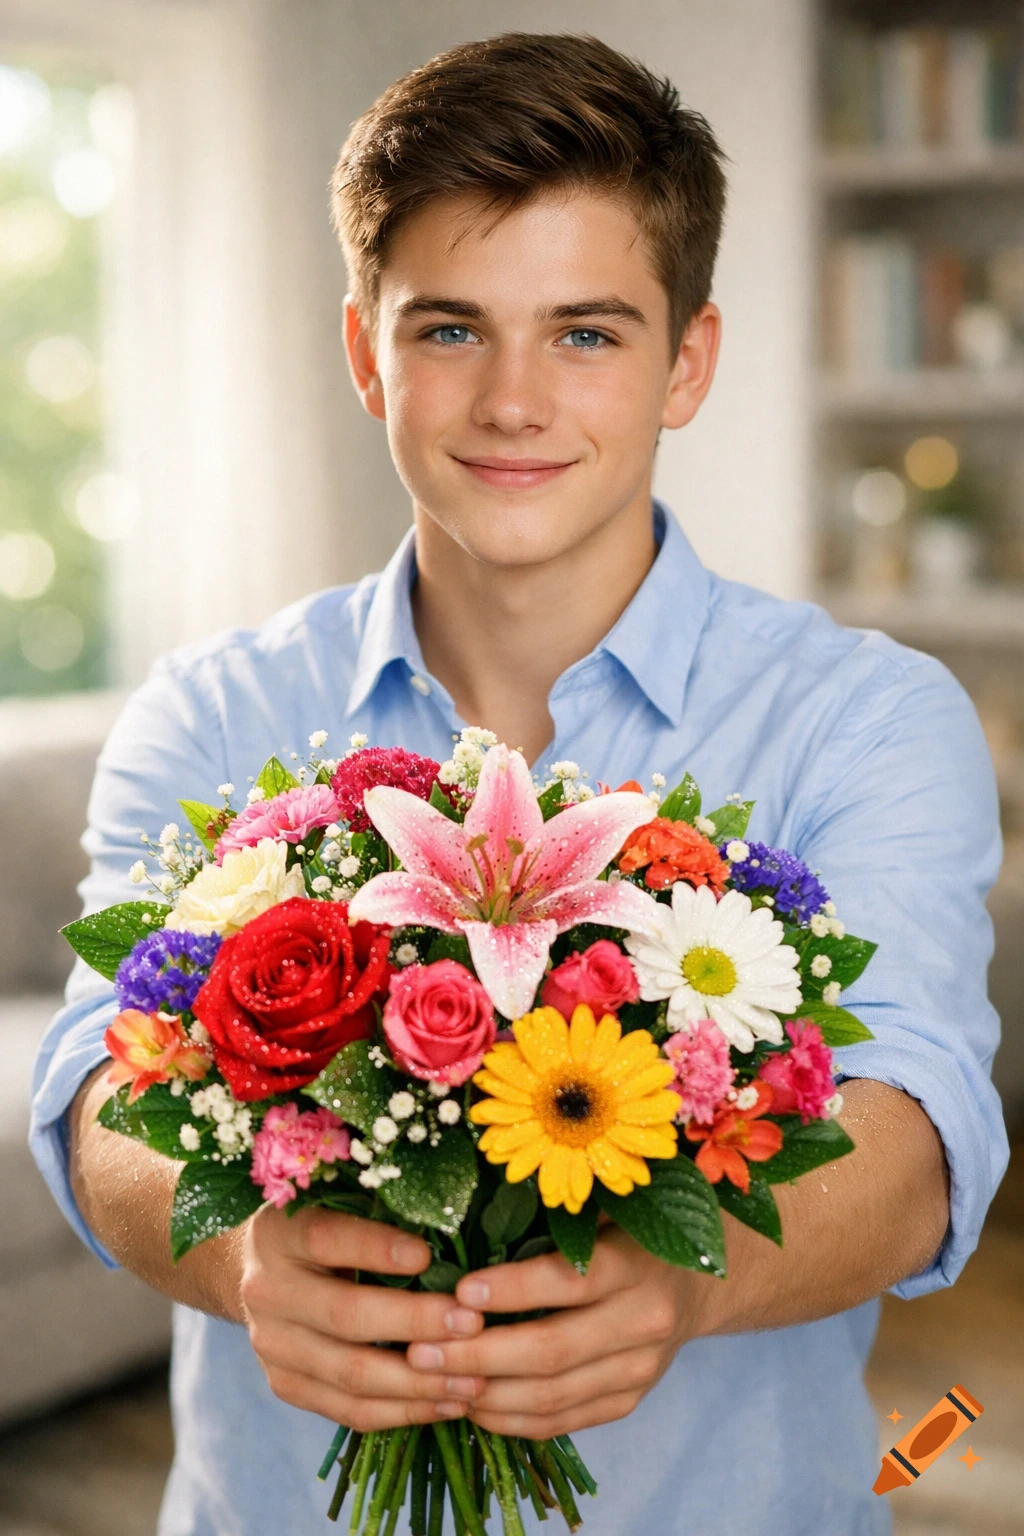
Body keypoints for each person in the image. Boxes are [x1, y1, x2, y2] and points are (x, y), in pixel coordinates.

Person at [31, 32, 1005, 1536]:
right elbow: (99, 1083)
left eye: (588, 333)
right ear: (365, 354)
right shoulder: (214, 716)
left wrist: (693, 1274)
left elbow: (920, 1129)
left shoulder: (866, 720)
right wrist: (235, 1259)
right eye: (449, 331)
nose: (513, 402)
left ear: (689, 363)